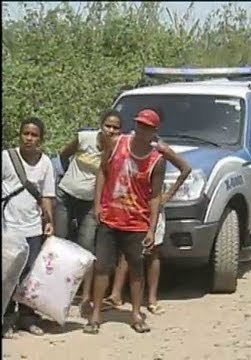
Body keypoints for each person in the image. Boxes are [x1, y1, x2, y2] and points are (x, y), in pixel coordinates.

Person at [84, 109, 166, 334]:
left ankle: (136, 313)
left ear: (154, 131)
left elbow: (155, 196)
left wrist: (151, 228)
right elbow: (103, 171)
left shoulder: (156, 160)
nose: (142, 130)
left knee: (136, 269)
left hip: (136, 222)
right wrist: (98, 204)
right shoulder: (116, 143)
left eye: (147, 127)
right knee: (102, 266)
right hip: (110, 217)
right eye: (139, 125)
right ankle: (96, 313)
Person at [103, 141, 191, 314]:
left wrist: (168, 195)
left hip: (151, 207)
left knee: (153, 252)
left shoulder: (161, 149)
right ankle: (116, 294)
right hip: (130, 205)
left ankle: (151, 298)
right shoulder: (128, 146)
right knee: (126, 252)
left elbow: (185, 169)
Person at [54, 110, 122, 317]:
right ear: (101, 125)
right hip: (65, 196)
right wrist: (70, 177)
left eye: (115, 127)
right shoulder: (85, 138)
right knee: (59, 243)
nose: (111, 130)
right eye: (107, 125)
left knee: (87, 249)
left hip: (91, 203)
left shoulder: (118, 148)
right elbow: (64, 155)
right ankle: (56, 292)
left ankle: (85, 298)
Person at [2, 117, 55, 337]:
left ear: (40, 139)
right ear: (20, 135)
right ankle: (6, 320)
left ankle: (27, 318)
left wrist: (49, 222)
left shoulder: (45, 163)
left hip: (33, 228)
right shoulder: (6, 158)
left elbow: (47, 196)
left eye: (34, 135)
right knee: (7, 275)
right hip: (8, 228)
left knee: (30, 276)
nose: (29, 139)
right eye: (26, 134)